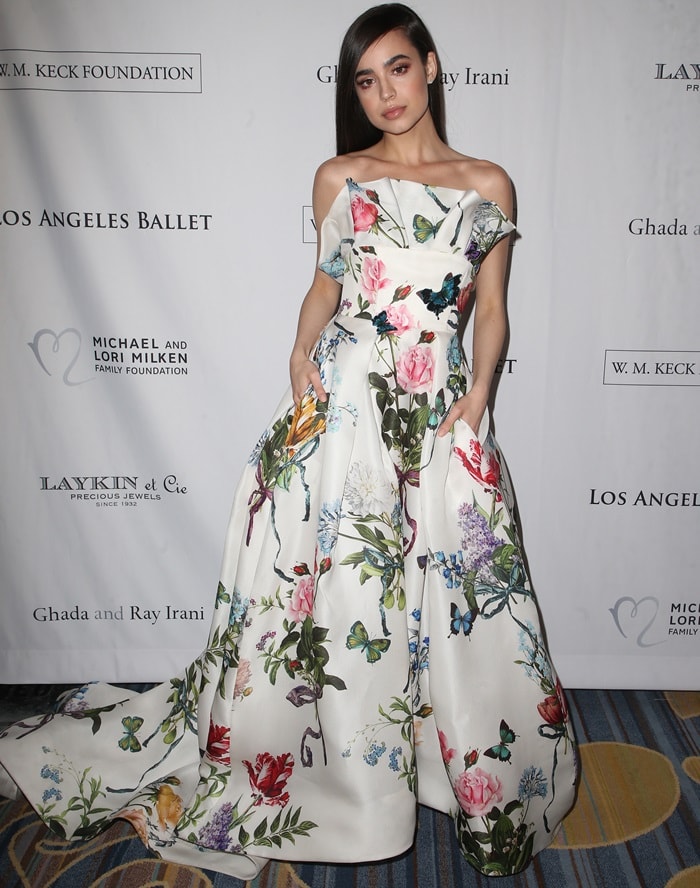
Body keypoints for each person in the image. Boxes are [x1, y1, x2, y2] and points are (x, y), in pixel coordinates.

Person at [0, 3, 578, 879]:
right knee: (346, 598)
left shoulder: (488, 184)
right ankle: (347, 785)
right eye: (364, 78)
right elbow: (325, 284)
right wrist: (300, 350)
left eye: (397, 68)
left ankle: (448, 771)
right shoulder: (337, 177)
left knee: (451, 595)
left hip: (440, 411)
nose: (384, 91)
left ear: (430, 65)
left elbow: (491, 310)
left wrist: (481, 397)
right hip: (344, 409)